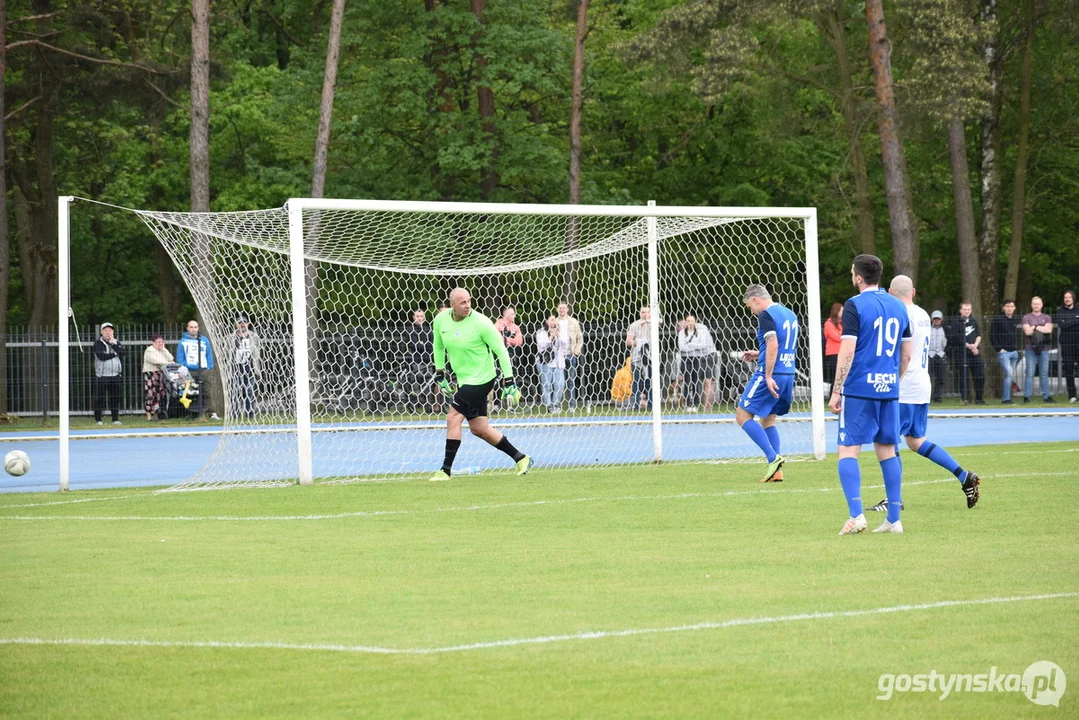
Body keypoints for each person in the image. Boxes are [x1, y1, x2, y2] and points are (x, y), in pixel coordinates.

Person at [868, 276, 979, 511]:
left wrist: (892, 382)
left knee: (886, 440)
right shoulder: (923, 314)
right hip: (921, 383)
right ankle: (963, 475)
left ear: (889, 292)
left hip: (905, 386)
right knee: (915, 441)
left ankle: (894, 500)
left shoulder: (899, 314)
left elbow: (902, 354)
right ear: (914, 291)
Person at [829, 254, 912, 535]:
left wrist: (837, 389)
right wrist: (891, 381)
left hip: (860, 388)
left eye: (853, 272)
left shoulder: (854, 305)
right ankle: (893, 519)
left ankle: (856, 515)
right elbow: (906, 354)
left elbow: (848, 350)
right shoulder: (899, 307)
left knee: (847, 449)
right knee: (887, 449)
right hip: (889, 389)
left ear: (859, 277)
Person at [428, 288, 532, 480]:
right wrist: (440, 373)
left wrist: (509, 380)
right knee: (479, 428)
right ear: (452, 306)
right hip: (465, 380)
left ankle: (445, 470)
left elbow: (501, 350)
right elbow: (438, 345)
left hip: (483, 379)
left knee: (453, 417)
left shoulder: (481, 322)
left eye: (469, 301)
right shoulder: (440, 321)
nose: (467, 305)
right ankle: (521, 458)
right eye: (462, 303)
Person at [736, 285, 798, 483]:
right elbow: (783, 343)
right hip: (788, 372)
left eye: (749, 306)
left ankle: (773, 457)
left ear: (755, 299)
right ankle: (777, 472)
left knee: (742, 415)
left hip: (769, 374)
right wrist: (759, 353)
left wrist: (768, 375)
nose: (751, 311)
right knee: (767, 420)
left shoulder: (766, 315)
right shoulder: (789, 313)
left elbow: (773, 344)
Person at [177, 319, 218, 419]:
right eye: (191, 327)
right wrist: (183, 368)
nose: (193, 329)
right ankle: (191, 413)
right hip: (189, 371)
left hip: (203, 370)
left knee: (206, 391)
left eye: (195, 327)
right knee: (190, 392)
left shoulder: (204, 340)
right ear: (187, 329)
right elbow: (180, 357)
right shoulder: (183, 342)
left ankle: (211, 413)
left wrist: (209, 367)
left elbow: (209, 354)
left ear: (198, 328)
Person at [677, 313, 716, 412]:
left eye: (692, 321)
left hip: (697, 357)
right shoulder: (682, 333)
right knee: (687, 381)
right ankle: (687, 404)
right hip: (686, 358)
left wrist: (689, 344)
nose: (690, 323)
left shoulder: (701, 330)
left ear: (695, 321)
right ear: (685, 322)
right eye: (688, 321)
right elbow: (681, 347)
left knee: (696, 381)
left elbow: (702, 345)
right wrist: (694, 346)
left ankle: (696, 404)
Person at [1022, 296, 1055, 403]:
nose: (1036, 305)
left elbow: (1049, 330)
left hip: (1044, 349)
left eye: (1038, 303)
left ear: (1041, 305)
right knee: (1030, 374)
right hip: (1030, 348)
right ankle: (1027, 397)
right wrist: (1041, 327)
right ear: (1031, 305)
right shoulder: (1026, 317)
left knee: (1044, 374)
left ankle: (1046, 397)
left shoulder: (1047, 317)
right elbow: (1027, 332)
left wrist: (1034, 327)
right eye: (1034, 303)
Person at [535, 314, 570, 413]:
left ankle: (556, 403)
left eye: (555, 320)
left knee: (560, 384)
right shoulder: (541, 332)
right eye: (551, 319)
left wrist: (558, 335)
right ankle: (549, 405)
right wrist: (551, 336)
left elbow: (565, 344)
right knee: (547, 385)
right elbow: (541, 345)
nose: (553, 322)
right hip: (545, 362)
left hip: (558, 362)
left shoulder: (560, 331)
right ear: (547, 322)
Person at [990, 299, 1021, 404]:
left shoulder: (1013, 320)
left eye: (1011, 306)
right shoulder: (998, 319)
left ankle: (1008, 398)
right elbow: (992, 335)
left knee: (1010, 375)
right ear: (1003, 307)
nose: (1009, 308)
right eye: (1007, 306)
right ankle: (1006, 399)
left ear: (1014, 308)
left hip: (1014, 352)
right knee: (1009, 373)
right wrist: (999, 349)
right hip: (1004, 353)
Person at [92, 322, 123, 426]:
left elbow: (123, 352)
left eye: (110, 330)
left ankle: (115, 419)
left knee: (115, 398)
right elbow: (101, 356)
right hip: (102, 375)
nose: (108, 332)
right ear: (101, 332)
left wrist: (113, 343)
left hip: (115, 375)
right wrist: (114, 353)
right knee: (100, 398)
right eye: (105, 330)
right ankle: (98, 419)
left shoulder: (116, 342)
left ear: (113, 332)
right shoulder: (98, 343)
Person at [404, 308, 436, 410]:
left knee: (428, 382)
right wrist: (422, 344)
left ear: (424, 317)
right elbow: (413, 345)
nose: (419, 318)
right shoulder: (410, 330)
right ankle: (416, 404)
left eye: (421, 316)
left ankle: (428, 405)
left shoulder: (428, 330)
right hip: (416, 360)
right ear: (413, 317)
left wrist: (421, 344)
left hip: (428, 360)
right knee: (417, 381)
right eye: (417, 316)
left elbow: (431, 344)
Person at [954, 302, 985, 404]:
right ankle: (965, 399)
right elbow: (956, 338)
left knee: (980, 375)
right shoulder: (956, 322)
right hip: (962, 354)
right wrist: (968, 345)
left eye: (968, 309)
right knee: (964, 377)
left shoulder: (973, 321)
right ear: (961, 310)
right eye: (965, 309)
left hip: (975, 353)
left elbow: (978, 335)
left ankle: (979, 398)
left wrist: (975, 345)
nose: (967, 311)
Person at [232, 315, 261, 419]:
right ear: (237, 324)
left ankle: (250, 414)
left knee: (250, 392)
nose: (242, 324)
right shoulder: (231, 337)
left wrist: (257, 367)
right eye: (240, 322)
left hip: (250, 369)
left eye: (244, 322)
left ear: (248, 324)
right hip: (236, 369)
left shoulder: (254, 336)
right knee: (236, 391)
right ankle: (235, 414)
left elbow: (257, 352)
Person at [556, 302, 584, 409]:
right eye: (560, 308)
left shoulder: (573, 322)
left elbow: (580, 338)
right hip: (559, 355)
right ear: (557, 310)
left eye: (563, 308)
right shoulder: (555, 322)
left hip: (570, 354)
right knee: (559, 381)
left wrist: (576, 351)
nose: (562, 310)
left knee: (571, 380)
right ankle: (558, 405)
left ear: (567, 309)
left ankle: (572, 406)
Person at [626, 306, 653, 410]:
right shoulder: (634, 325)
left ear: (650, 313)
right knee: (636, 381)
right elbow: (628, 341)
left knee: (650, 381)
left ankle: (651, 405)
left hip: (650, 357)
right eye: (643, 312)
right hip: (637, 357)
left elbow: (661, 321)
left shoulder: (653, 324)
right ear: (639, 313)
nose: (645, 314)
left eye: (647, 312)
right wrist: (637, 343)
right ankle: (636, 405)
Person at [142, 333, 174, 420]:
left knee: (159, 394)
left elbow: (171, 357)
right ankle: (148, 415)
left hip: (160, 374)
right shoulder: (150, 350)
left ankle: (157, 414)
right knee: (150, 394)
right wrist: (167, 363)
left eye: (161, 341)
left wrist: (164, 349)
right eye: (158, 342)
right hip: (150, 374)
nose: (160, 343)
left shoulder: (162, 350)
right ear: (153, 342)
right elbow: (156, 360)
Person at [1056, 290, 1079, 403]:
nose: (1067, 299)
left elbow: (1067, 323)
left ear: (1073, 298)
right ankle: (1072, 396)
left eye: (1069, 297)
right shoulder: (1060, 311)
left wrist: (1069, 322)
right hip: (1066, 345)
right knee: (1069, 370)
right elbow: (1063, 325)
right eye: (1065, 297)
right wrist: (1076, 320)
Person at [823, 303, 843, 398]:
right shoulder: (828, 323)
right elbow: (836, 336)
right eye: (841, 311)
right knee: (834, 377)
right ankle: (833, 396)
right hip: (833, 354)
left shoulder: (842, 323)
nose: (843, 313)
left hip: (842, 353)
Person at [927, 311, 947, 403]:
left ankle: (937, 396)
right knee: (928, 377)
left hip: (941, 355)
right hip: (929, 355)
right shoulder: (927, 329)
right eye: (935, 319)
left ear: (941, 319)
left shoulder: (946, 329)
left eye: (938, 319)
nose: (936, 320)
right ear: (932, 319)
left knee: (941, 378)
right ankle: (927, 396)